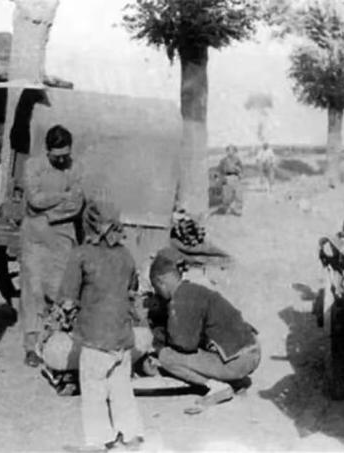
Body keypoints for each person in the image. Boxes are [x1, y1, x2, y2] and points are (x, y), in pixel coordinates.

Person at [59, 201, 144, 452]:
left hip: (95, 338)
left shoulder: (81, 255)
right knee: (121, 389)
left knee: (94, 390)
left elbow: (67, 299)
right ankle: (131, 436)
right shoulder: (126, 255)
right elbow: (132, 289)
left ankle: (98, 441)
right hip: (122, 337)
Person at [148, 249, 261, 415]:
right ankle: (236, 381)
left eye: (156, 288)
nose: (157, 293)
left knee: (166, 356)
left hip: (238, 361)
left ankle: (217, 387)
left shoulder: (180, 298)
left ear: (161, 281)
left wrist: (159, 340)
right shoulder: (194, 290)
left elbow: (185, 345)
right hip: (251, 352)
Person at [20, 124, 84, 367]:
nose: (62, 160)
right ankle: (31, 346)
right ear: (47, 150)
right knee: (33, 289)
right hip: (35, 237)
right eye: (57, 156)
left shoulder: (75, 167)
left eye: (66, 155)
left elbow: (77, 204)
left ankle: (54, 343)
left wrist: (48, 214)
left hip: (62, 236)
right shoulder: (33, 166)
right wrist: (62, 197)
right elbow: (34, 199)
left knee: (59, 290)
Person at [218, 144, 243, 216]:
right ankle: (226, 208)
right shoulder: (223, 160)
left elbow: (241, 168)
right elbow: (219, 170)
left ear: (235, 151)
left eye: (232, 150)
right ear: (226, 152)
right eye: (228, 150)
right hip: (227, 177)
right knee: (226, 195)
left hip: (235, 177)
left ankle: (238, 210)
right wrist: (221, 178)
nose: (230, 152)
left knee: (238, 194)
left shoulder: (237, 160)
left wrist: (240, 173)